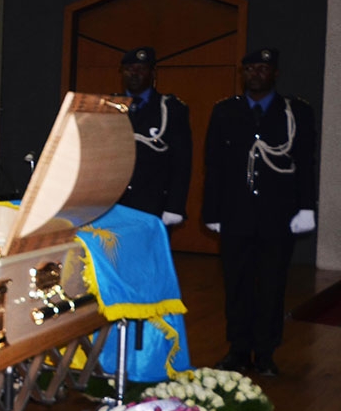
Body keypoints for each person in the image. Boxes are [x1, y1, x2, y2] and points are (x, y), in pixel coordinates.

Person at [202, 48, 317, 377]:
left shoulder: (296, 112)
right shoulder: (225, 111)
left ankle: (266, 353)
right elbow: (214, 165)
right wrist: (212, 210)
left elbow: (305, 163)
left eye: (263, 68)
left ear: (275, 73)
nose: (256, 74)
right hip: (235, 214)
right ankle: (238, 350)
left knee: (272, 286)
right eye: (250, 68)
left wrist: (306, 207)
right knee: (236, 285)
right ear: (243, 73)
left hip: (277, 216)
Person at [117, 46, 193, 227]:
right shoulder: (108, 106)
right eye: (129, 69)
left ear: (152, 73)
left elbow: (181, 162)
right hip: (115, 202)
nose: (134, 74)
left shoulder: (171, 108)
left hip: (154, 203)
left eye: (141, 69)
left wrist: (175, 206)